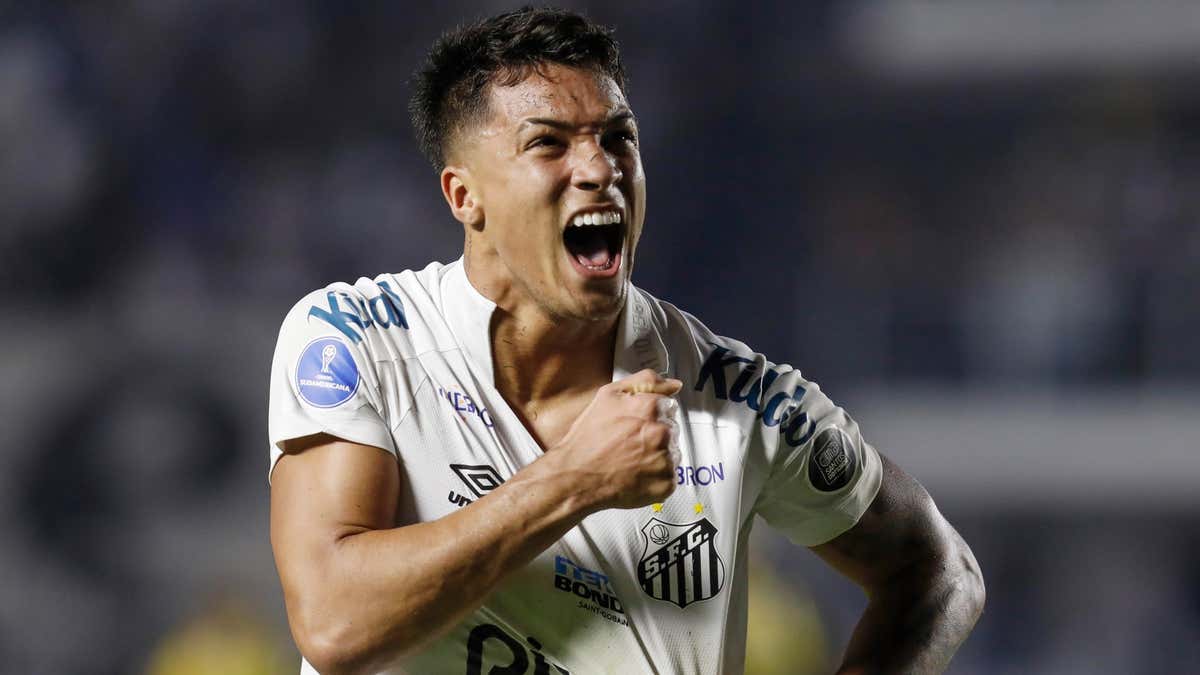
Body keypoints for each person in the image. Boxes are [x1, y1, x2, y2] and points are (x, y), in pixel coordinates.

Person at [267, 8, 984, 675]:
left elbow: (941, 570)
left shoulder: (734, 395)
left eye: (618, 138)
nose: (600, 168)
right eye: (549, 142)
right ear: (464, 195)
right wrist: (574, 479)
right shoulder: (360, 337)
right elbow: (335, 623)